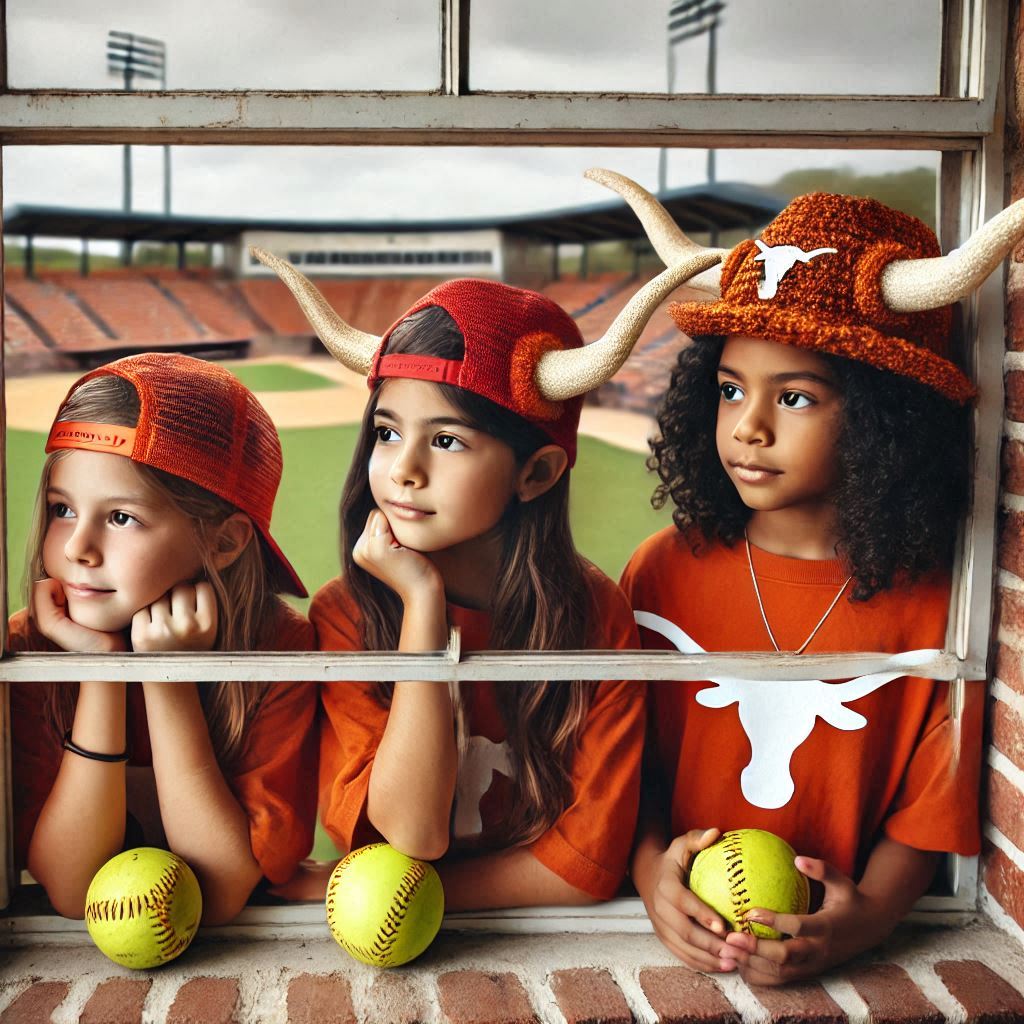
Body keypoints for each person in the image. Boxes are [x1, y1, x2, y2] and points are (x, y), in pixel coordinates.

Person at [590, 169, 1017, 983]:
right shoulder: (660, 572)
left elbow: (929, 806)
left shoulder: (935, 602)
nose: (747, 427)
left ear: (884, 421)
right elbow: (626, 765)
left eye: (795, 398)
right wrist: (651, 875)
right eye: (729, 389)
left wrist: (871, 920)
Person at [254, 242, 718, 909]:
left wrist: (401, 895)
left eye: (446, 440)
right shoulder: (347, 614)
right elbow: (410, 831)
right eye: (387, 432)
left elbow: (582, 870)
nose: (403, 468)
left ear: (537, 474)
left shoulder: (595, 615)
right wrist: (420, 605)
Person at [10, 353, 318, 924]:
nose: (78, 548)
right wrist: (103, 666)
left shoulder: (281, 651)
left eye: (122, 518)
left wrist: (166, 678)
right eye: (61, 509)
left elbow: (219, 893)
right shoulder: (27, 648)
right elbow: (77, 893)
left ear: (224, 544)